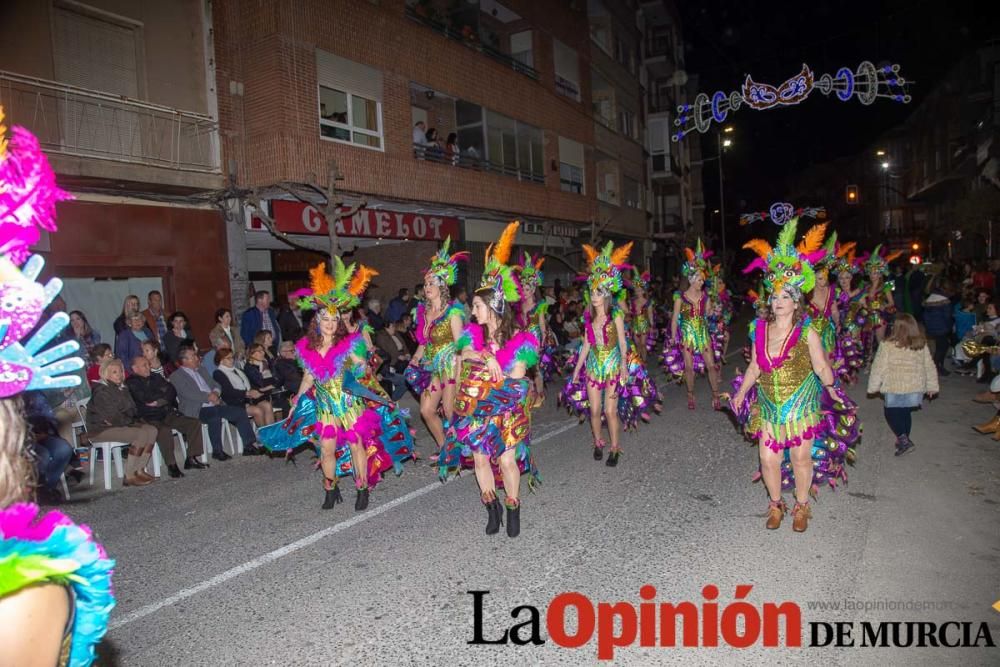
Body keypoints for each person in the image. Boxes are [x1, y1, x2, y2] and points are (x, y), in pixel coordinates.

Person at [732, 219, 859, 533]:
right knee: (767, 460)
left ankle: (802, 507)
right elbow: (754, 366)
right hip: (769, 405)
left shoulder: (807, 333)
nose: (778, 302)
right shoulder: (758, 330)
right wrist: (740, 392)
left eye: (785, 297)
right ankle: (776, 504)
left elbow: (821, 368)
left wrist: (833, 391)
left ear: (795, 300)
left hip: (801, 406)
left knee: (801, 459)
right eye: (774, 296)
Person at [443, 221, 539, 537]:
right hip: (477, 406)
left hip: (505, 409)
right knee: (480, 459)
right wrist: (486, 357)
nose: (473, 312)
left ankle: (513, 505)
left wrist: (499, 373)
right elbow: (465, 354)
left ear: (494, 305)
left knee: (508, 460)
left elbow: (517, 378)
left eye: (478, 306)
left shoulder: (521, 338)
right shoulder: (473, 335)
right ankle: (491, 507)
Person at [288, 259, 397, 511]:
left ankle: (361, 487)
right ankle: (331, 487)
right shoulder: (308, 347)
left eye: (333, 318)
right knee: (326, 451)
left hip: (348, 401)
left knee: (355, 444)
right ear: (317, 320)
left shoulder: (347, 344)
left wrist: (359, 365)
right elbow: (307, 378)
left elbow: (362, 366)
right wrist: (296, 401)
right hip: (325, 404)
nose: (329, 322)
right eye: (325, 318)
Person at [566, 240, 633, 465]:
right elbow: (586, 344)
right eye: (592, 292)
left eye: (598, 292)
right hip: (594, 366)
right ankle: (597, 442)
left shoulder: (616, 315)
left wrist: (624, 364)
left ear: (606, 294)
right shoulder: (589, 317)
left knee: (610, 411)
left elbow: (623, 343)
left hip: (613, 365)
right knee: (594, 411)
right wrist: (576, 370)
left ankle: (615, 448)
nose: (594, 296)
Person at [408, 236, 468, 455]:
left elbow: (461, 346)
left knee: (451, 410)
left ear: (442, 285)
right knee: (426, 409)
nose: (427, 287)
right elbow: (424, 343)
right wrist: (414, 359)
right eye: (425, 283)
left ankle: (460, 449)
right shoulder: (424, 313)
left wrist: (460, 375)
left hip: (451, 365)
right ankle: (445, 447)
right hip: (432, 365)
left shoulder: (452, 313)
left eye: (431, 283)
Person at [169, 346, 261, 460]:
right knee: (214, 415)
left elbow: (215, 384)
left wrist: (216, 393)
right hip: (197, 408)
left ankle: (249, 445)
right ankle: (217, 451)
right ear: (184, 360)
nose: (197, 358)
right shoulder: (176, 376)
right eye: (193, 356)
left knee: (239, 412)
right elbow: (188, 394)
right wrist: (209, 397)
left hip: (215, 403)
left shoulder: (201, 370)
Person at [867, 314, 939, 456]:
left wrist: (873, 387)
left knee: (891, 412)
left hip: (894, 385)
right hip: (915, 386)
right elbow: (929, 366)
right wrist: (932, 386)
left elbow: (878, 367)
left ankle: (903, 438)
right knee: (905, 412)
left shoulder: (887, 345)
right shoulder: (921, 344)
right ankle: (903, 439)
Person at [126, 355, 207, 476]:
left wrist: (160, 401)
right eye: (144, 365)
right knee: (164, 431)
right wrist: (162, 394)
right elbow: (146, 398)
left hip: (166, 412)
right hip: (149, 417)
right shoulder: (131, 383)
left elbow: (171, 390)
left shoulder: (155, 376)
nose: (148, 367)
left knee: (193, 423)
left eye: (148, 364)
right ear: (135, 368)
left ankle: (191, 458)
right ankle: (171, 465)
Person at [664, 239, 721, 410]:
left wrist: (715, 313)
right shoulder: (680, 298)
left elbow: (709, 313)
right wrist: (673, 336)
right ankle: (690, 393)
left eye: (703, 279)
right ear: (691, 279)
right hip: (687, 334)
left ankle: (716, 395)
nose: (702, 282)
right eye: (699, 280)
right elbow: (675, 318)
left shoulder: (706, 297)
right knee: (689, 368)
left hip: (702, 333)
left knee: (711, 365)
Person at [86, 359, 159, 487]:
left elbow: (133, 409)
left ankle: (139, 469)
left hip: (118, 424)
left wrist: (127, 417)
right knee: (140, 434)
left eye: (120, 371)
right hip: (100, 430)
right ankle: (129, 475)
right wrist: (128, 418)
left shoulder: (122, 388)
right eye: (114, 372)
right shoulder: (102, 391)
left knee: (152, 430)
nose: (119, 375)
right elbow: (113, 417)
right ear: (106, 374)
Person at [516, 251, 554, 403]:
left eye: (526, 289)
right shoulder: (519, 306)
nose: (524, 293)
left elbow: (543, 327)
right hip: (522, 339)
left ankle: (539, 394)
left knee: (535, 368)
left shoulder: (539, 305)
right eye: (522, 289)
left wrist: (542, 343)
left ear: (532, 290)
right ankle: (529, 393)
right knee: (523, 367)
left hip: (535, 339)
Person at [214, 348, 275, 428]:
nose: (232, 360)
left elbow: (248, 385)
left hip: (248, 399)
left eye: (232, 357)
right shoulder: (218, 373)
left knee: (267, 405)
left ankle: (272, 434)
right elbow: (228, 391)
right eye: (228, 358)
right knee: (258, 411)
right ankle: (264, 436)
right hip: (235, 402)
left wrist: (255, 392)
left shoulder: (237, 370)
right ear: (221, 361)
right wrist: (247, 393)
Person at [374, 319, 412, 401]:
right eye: (392, 327)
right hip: (392, 361)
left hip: (401, 356)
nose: (394, 328)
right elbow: (387, 352)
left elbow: (403, 345)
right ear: (386, 328)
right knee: (404, 370)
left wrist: (407, 353)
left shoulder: (396, 334)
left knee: (411, 365)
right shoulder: (382, 337)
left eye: (394, 326)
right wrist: (399, 356)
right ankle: (391, 399)